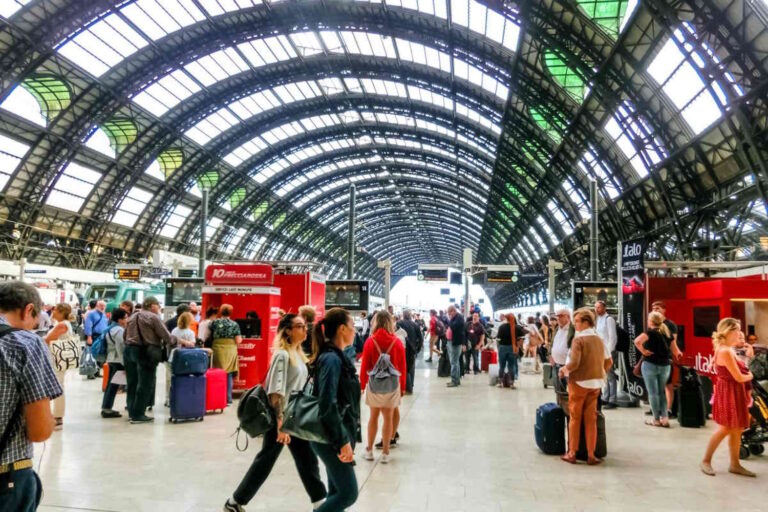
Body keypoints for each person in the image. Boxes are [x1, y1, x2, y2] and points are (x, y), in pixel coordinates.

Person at [224, 314, 326, 512]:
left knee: (304, 460)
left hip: (294, 417)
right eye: (299, 326)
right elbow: (275, 392)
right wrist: (281, 423)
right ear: (287, 331)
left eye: (305, 326)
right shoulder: (283, 355)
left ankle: (320, 502)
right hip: (283, 419)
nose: (305, 330)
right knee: (269, 461)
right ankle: (235, 502)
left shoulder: (298, 354)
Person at [0, 282, 62, 511]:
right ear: (28, 310)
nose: (34, 326)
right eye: (34, 320)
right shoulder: (25, 343)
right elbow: (39, 431)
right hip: (8, 476)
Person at [310, 308, 361, 512]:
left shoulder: (337, 357)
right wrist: (342, 441)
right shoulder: (331, 359)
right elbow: (327, 403)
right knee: (348, 493)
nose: (355, 331)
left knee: (335, 492)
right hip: (331, 436)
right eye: (352, 327)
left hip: (335, 432)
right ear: (342, 329)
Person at [701, 318, 756, 477]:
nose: (740, 333)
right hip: (730, 392)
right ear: (728, 331)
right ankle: (706, 461)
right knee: (726, 428)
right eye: (737, 330)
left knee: (737, 428)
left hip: (731, 391)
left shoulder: (723, 348)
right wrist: (750, 375)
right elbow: (739, 377)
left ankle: (735, 464)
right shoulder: (725, 351)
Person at [559, 308, 612, 465]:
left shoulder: (578, 340)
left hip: (578, 383)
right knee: (591, 419)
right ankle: (591, 454)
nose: (575, 325)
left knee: (575, 418)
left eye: (577, 322)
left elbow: (574, 363)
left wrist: (564, 370)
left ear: (586, 322)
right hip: (595, 384)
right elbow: (609, 362)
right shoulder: (599, 339)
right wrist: (599, 371)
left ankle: (572, 452)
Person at [360, 311, 406, 463]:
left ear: (375, 322)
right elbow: (402, 366)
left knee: (373, 417)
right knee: (388, 418)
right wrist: (403, 386)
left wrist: (362, 383)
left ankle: (369, 450)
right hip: (392, 385)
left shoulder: (370, 341)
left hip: (374, 384)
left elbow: (365, 364)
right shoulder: (397, 341)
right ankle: (386, 452)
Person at [123, 296, 170, 424]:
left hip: (129, 350)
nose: (159, 308)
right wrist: (179, 341)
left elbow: (124, 334)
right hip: (146, 352)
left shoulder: (132, 316)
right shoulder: (153, 317)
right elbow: (166, 336)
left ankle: (132, 412)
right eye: (158, 305)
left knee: (132, 383)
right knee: (145, 383)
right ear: (152, 305)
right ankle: (138, 415)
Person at [634, 312, 673, 427]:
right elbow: (673, 347)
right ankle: (665, 418)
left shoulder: (650, 332)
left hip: (650, 364)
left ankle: (656, 419)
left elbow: (637, 341)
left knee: (653, 393)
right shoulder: (666, 332)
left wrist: (643, 351)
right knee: (661, 392)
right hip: (665, 365)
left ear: (650, 321)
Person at [43, 303, 75, 430]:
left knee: (58, 387)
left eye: (55, 309)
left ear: (61, 312)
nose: (53, 311)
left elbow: (48, 339)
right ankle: (56, 415)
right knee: (58, 385)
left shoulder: (62, 325)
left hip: (58, 360)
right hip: (58, 359)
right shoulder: (64, 323)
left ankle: (58, 417)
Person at [650, 301, 682, 417]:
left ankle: (668, 409)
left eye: (657, 308)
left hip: (666, 357)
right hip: (653, 357)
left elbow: (673, 342)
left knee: (667, 385)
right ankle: (656, 408)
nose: (655, 310)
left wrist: (675, 354)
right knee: (655, 385)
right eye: (653, 308)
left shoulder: (670, 325)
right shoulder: (652, 323)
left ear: (664, 309)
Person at [210, 304, 243, 405]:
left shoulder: (214, 323)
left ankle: (217, 397)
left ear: (220, 311)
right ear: (231, 312)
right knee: (228, 374)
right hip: (230, 350)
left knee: (217, 373)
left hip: (217, 348)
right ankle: (228, 399)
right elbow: (238, 340)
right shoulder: (234, 324)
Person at [101, 308, 128, 418]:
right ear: (120, 319)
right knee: (113, 386)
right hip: (117, 361)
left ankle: (106, 407)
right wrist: (125, 363)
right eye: (125, 318)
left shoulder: (110, 329)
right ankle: (107, 409)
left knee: (111, 385)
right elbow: (120, 348)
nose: (127, 320)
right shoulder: (119, 331)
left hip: (111, 358)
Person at [595, 300, 618, 409]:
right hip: (600, 350)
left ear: (604, 308)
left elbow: (612, 337)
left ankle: (613, 399)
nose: (596, 309)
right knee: (604, 375)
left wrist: (609, 352)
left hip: (608, 351)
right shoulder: (599, 319)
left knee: (610, 375)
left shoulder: (609, 319)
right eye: (596, 307)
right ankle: (606, 396)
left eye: (598, 307)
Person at [396, 309, 422, 394]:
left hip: (402, 348)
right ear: (410, 315)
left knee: (403, 367)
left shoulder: (399, 324)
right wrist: (417, 349)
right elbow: (420, 338)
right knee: (411, 368)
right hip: (412, 349)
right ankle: (411, 386)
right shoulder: (415, 325)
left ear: (403, 315)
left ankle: (406, 387)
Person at [497, 313, 526, 389]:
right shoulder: (518, 327)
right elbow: (522, 338)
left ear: (506, 319)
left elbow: (498, 339)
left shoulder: (502, 327)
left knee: (502, 366)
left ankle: (500, 383)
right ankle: (512, 384)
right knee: (511, 366)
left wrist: (498, 348)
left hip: (503, 348)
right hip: (512, 348)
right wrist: (518, 346)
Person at [446, 305, 466, 388]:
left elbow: (453, 326)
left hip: (455, 343)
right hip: (453, 342)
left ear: (454, 311)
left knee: (454, 362)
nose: (449, 315)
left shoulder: (459, 318)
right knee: (455, 362)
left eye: (450, 313)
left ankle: (454, 381)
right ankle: (456, 380)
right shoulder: (457, 317)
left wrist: (450, 320)